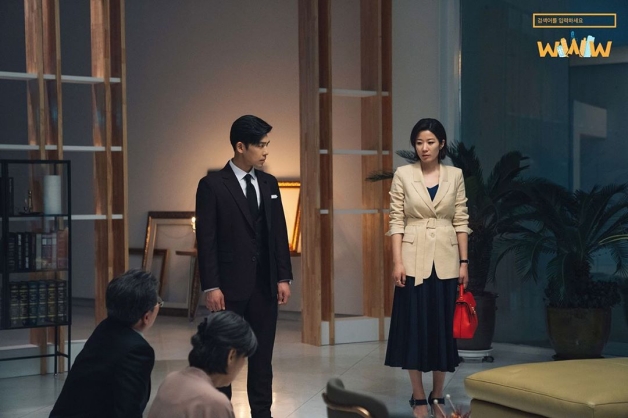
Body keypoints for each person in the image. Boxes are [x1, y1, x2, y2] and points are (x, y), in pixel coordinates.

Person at [195, 114, 293, 418]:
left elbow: (279, 233)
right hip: (228, 288)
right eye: (260, 145)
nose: (266, 151)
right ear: (240, 146)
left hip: (265, 286)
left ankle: (262, 413)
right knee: (224, 356)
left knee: (263, 358)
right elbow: (206, 240)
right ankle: (221, 412)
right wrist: (211, 286)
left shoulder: (269, 183)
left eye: (267, 144)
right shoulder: (212, 185)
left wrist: (283, 276)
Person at [384, 118, 470, 418]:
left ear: (441, 144)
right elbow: (396, 220)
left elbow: (461, 219)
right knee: (413, 329)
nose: (424, 148)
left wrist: (464, 262)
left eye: (430, 142)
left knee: (441, 329)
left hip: (446, 261)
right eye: (419, 142)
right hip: (413, 261)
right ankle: (419, 396)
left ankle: (437, 393)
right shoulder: (403, 174)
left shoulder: (455, 175)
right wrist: (397, 261)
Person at [49, 269, 161, 418]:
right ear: (146, 317)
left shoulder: (105, 328)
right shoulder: (137, 350)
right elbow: (129, 411)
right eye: (158, 303)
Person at [148, 311, 258, 418]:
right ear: (231, 356)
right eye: (244, 357)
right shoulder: (214, 403)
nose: (243, 364)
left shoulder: (171, 380)